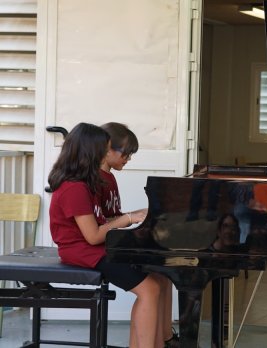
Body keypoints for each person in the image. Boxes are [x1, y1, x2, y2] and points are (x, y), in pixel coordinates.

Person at [48, 122, 177, 348]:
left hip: (98, 246)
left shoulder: (86, 182)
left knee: (157, 278)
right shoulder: (74, 188)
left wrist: (136, 215)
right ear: (91, 151)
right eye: (104, 149)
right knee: (150, 289)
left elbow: (103, 220)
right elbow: (93, 236)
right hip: (84, 251)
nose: (106, 155)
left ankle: (159, 342)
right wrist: (129, 218)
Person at [99, 122, 177, 347]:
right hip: (97, 247)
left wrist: (140, 218)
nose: (128, 159)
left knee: (163, 273)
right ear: (106, 148)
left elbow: (111, 219)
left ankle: (164, 340)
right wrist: (131, 217)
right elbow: (101, 226)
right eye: (126, 153)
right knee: (150, 288)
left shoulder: (110, 177)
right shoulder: (94, 179)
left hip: (107, 242)